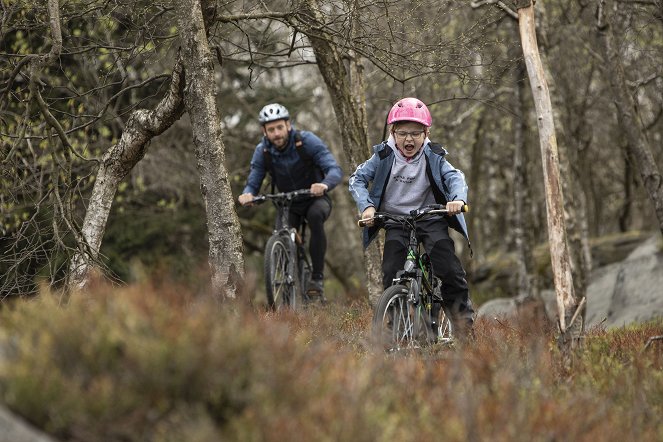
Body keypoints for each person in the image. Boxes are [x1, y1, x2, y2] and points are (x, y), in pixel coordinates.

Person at [348, 97, 475, 338]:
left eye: (416, 133)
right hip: (396, 221)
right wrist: (366, 207)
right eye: (403, 133)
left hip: (430, 218)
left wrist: (457, 199)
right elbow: (357, 180)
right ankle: (399, 329)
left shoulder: (434, 155)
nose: (409, 139)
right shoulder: (383, 156)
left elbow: (455, 177)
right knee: (390, 272)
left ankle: (464, 330)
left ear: (426, 133)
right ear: (393, 132)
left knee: (449, 269)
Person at [238, 103, 343, 298]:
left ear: (288, 125)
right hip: (288, 204)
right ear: (264, 131)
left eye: (279, 127)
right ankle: (289, 280)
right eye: (271, 129)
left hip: (315, 198)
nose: (276, 133)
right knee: (281, 236)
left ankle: (317, 279)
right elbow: (254, 179)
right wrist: (248, 193)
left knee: (315, 216)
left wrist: (325, 184)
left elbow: (334, 169)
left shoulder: (307, 141)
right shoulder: (263, 151)